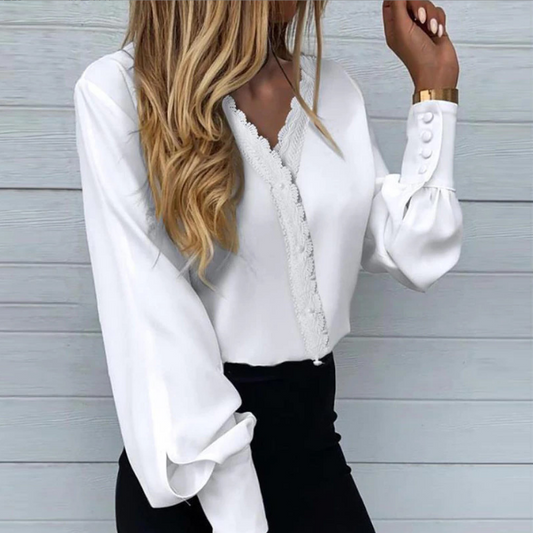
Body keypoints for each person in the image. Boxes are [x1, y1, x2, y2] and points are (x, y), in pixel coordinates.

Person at [73, 1, 463, 532]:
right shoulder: (119, 92)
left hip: (313, 448)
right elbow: (155, 329)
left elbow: (415, 252)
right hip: (196, 471)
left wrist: (434, 87)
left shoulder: (334, 91)